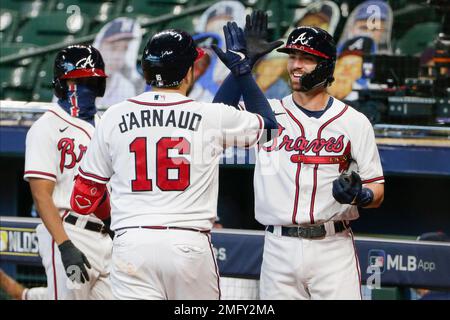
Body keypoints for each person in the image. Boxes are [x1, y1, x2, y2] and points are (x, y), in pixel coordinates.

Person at [69, 25, 278, 300]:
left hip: (132, 243)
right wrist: (242, 72)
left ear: (145, 68)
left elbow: (82, 198)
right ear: (188, 71)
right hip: (188, 245)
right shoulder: (207, 116)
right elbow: (270, 130)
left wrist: (120, 222)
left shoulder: (114, 115)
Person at [215, 14, 385, 299]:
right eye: (292, 56)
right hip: (279, 246)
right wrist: (243, 66)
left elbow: (377, 190)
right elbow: (217, 117)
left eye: (305, 58)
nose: (295, 64)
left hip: (333, 245)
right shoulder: (267, 113)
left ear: (326, 65)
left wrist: (361, 196)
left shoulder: (353, 122)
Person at [23, 45, 114, 300]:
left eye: (92, 81)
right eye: (79, 80)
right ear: (63, 84)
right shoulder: (46, 127)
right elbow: (41, 196)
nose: (87, 87)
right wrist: (65, 246)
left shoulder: (105, 126)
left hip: (106, 237)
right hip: (69, 232)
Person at [93, 17, 144, 108]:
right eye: (113, 48)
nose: (118, 56)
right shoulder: (75, 81)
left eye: (124, 49)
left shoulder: (127, 89)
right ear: (98, 46)